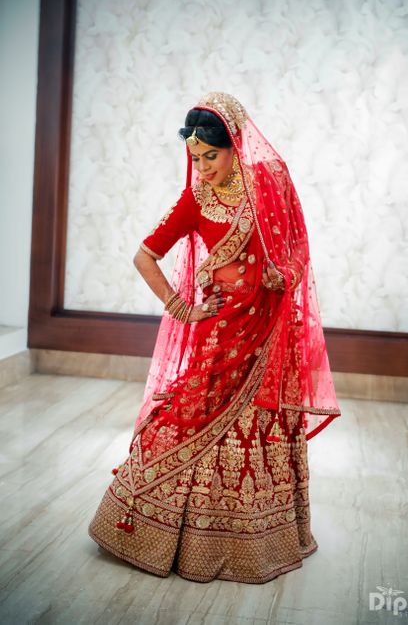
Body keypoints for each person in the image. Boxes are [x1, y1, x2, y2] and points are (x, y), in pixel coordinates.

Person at [88, 91, 341, 584]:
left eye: (212, 156)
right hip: (220, 335)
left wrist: (281, 274)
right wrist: (183, 307)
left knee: (259, 428)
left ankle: (255, 539)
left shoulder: (270, 183)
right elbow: (144, 255)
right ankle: (151, 530)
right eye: (195, 157)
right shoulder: (195, 199)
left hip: (265, 333)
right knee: (186, 417)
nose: (202, 168)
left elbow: (297, 246)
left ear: (236, 146)